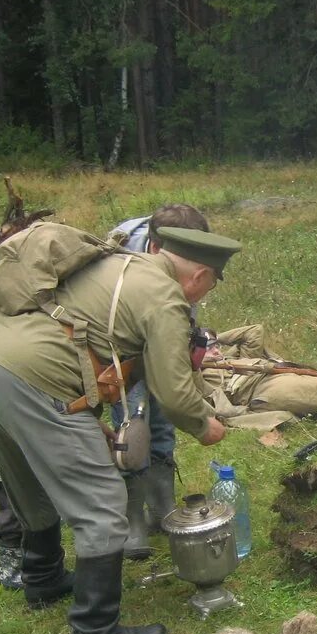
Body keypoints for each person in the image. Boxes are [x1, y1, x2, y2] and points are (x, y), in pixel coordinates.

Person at [0, 223, 240, 634]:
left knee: (29, 480)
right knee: (103, 505)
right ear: (201, 276)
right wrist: (205, 426)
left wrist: (89, 423)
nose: (204, 295)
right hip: (36, 379)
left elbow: (75, 340)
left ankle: (43, 577)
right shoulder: (164, 297)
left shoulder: (117, 262)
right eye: (210, 286)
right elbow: (173, 392)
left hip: (4, 364)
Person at [109, 203, 211, 559]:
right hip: (122, 347)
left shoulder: (189, 255)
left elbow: (183, 311)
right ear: (156, 247)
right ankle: (132, 518)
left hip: (162, 328)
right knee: (132, 419)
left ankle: (161, 504)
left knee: (164, 411)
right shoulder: (123, 254)